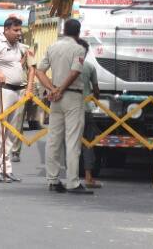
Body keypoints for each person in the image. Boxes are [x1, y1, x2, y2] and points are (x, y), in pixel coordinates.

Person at [36, 18, 92, 194]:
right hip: (72, 97)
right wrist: (61, 89)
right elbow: (75, 72)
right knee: (72, 140)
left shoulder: (53, 47)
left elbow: (39, 71)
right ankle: (73, 182)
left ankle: (53, 180)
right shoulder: (79, 49)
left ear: (64, 30)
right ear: (78, 32)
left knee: (53, 139)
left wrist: (52, 89)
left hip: (55, 98)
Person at [0, 17, 30, 182]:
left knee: (11, 133)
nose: (19, 33)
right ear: (6, 30)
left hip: (18, 91)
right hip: (4, 90)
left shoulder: (18, 45)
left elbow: (26, 61)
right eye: (16, 30)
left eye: (20, 30)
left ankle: (6, 169)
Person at [11, 35, 37, 163]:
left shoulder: (26, 49)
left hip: (21, 89)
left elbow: (32, 70)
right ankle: (2, 149)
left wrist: (29, 89)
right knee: (2, 120)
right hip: (5, 88)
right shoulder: (2, 49)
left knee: (18, 121)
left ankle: (15, 151)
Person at [81, 57, 102, 189]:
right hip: (86, 109)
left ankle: (71, 177)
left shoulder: (65, 66)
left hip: (68, 110)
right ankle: (88, 177)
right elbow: (96, 89)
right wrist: (95, 101)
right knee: (88, 144)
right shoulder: (89, 66)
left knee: (70, 143)